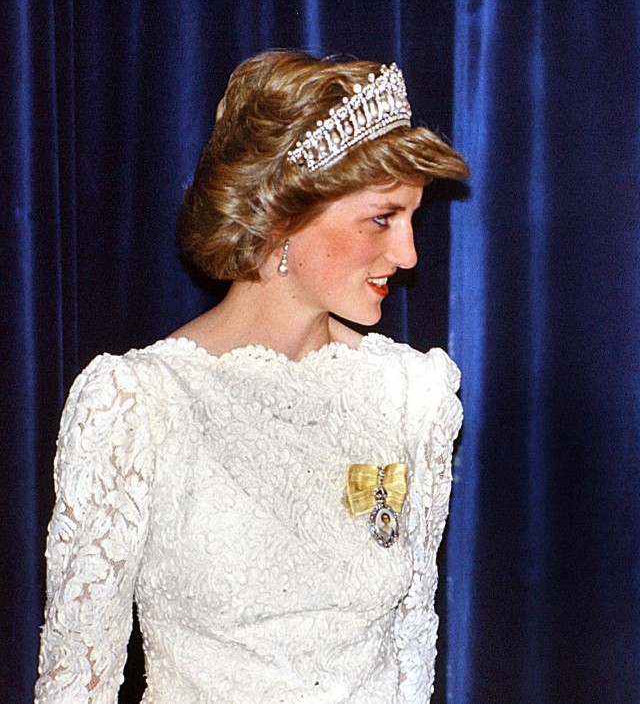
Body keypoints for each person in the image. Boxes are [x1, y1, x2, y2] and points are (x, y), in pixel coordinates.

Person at [35, 50, 469, 702]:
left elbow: (410, 651)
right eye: (382, 218)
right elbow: (76, 687)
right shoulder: (138, 403)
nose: (407, 254)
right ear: (281, 216)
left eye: (412, 218)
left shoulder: (410, 394)